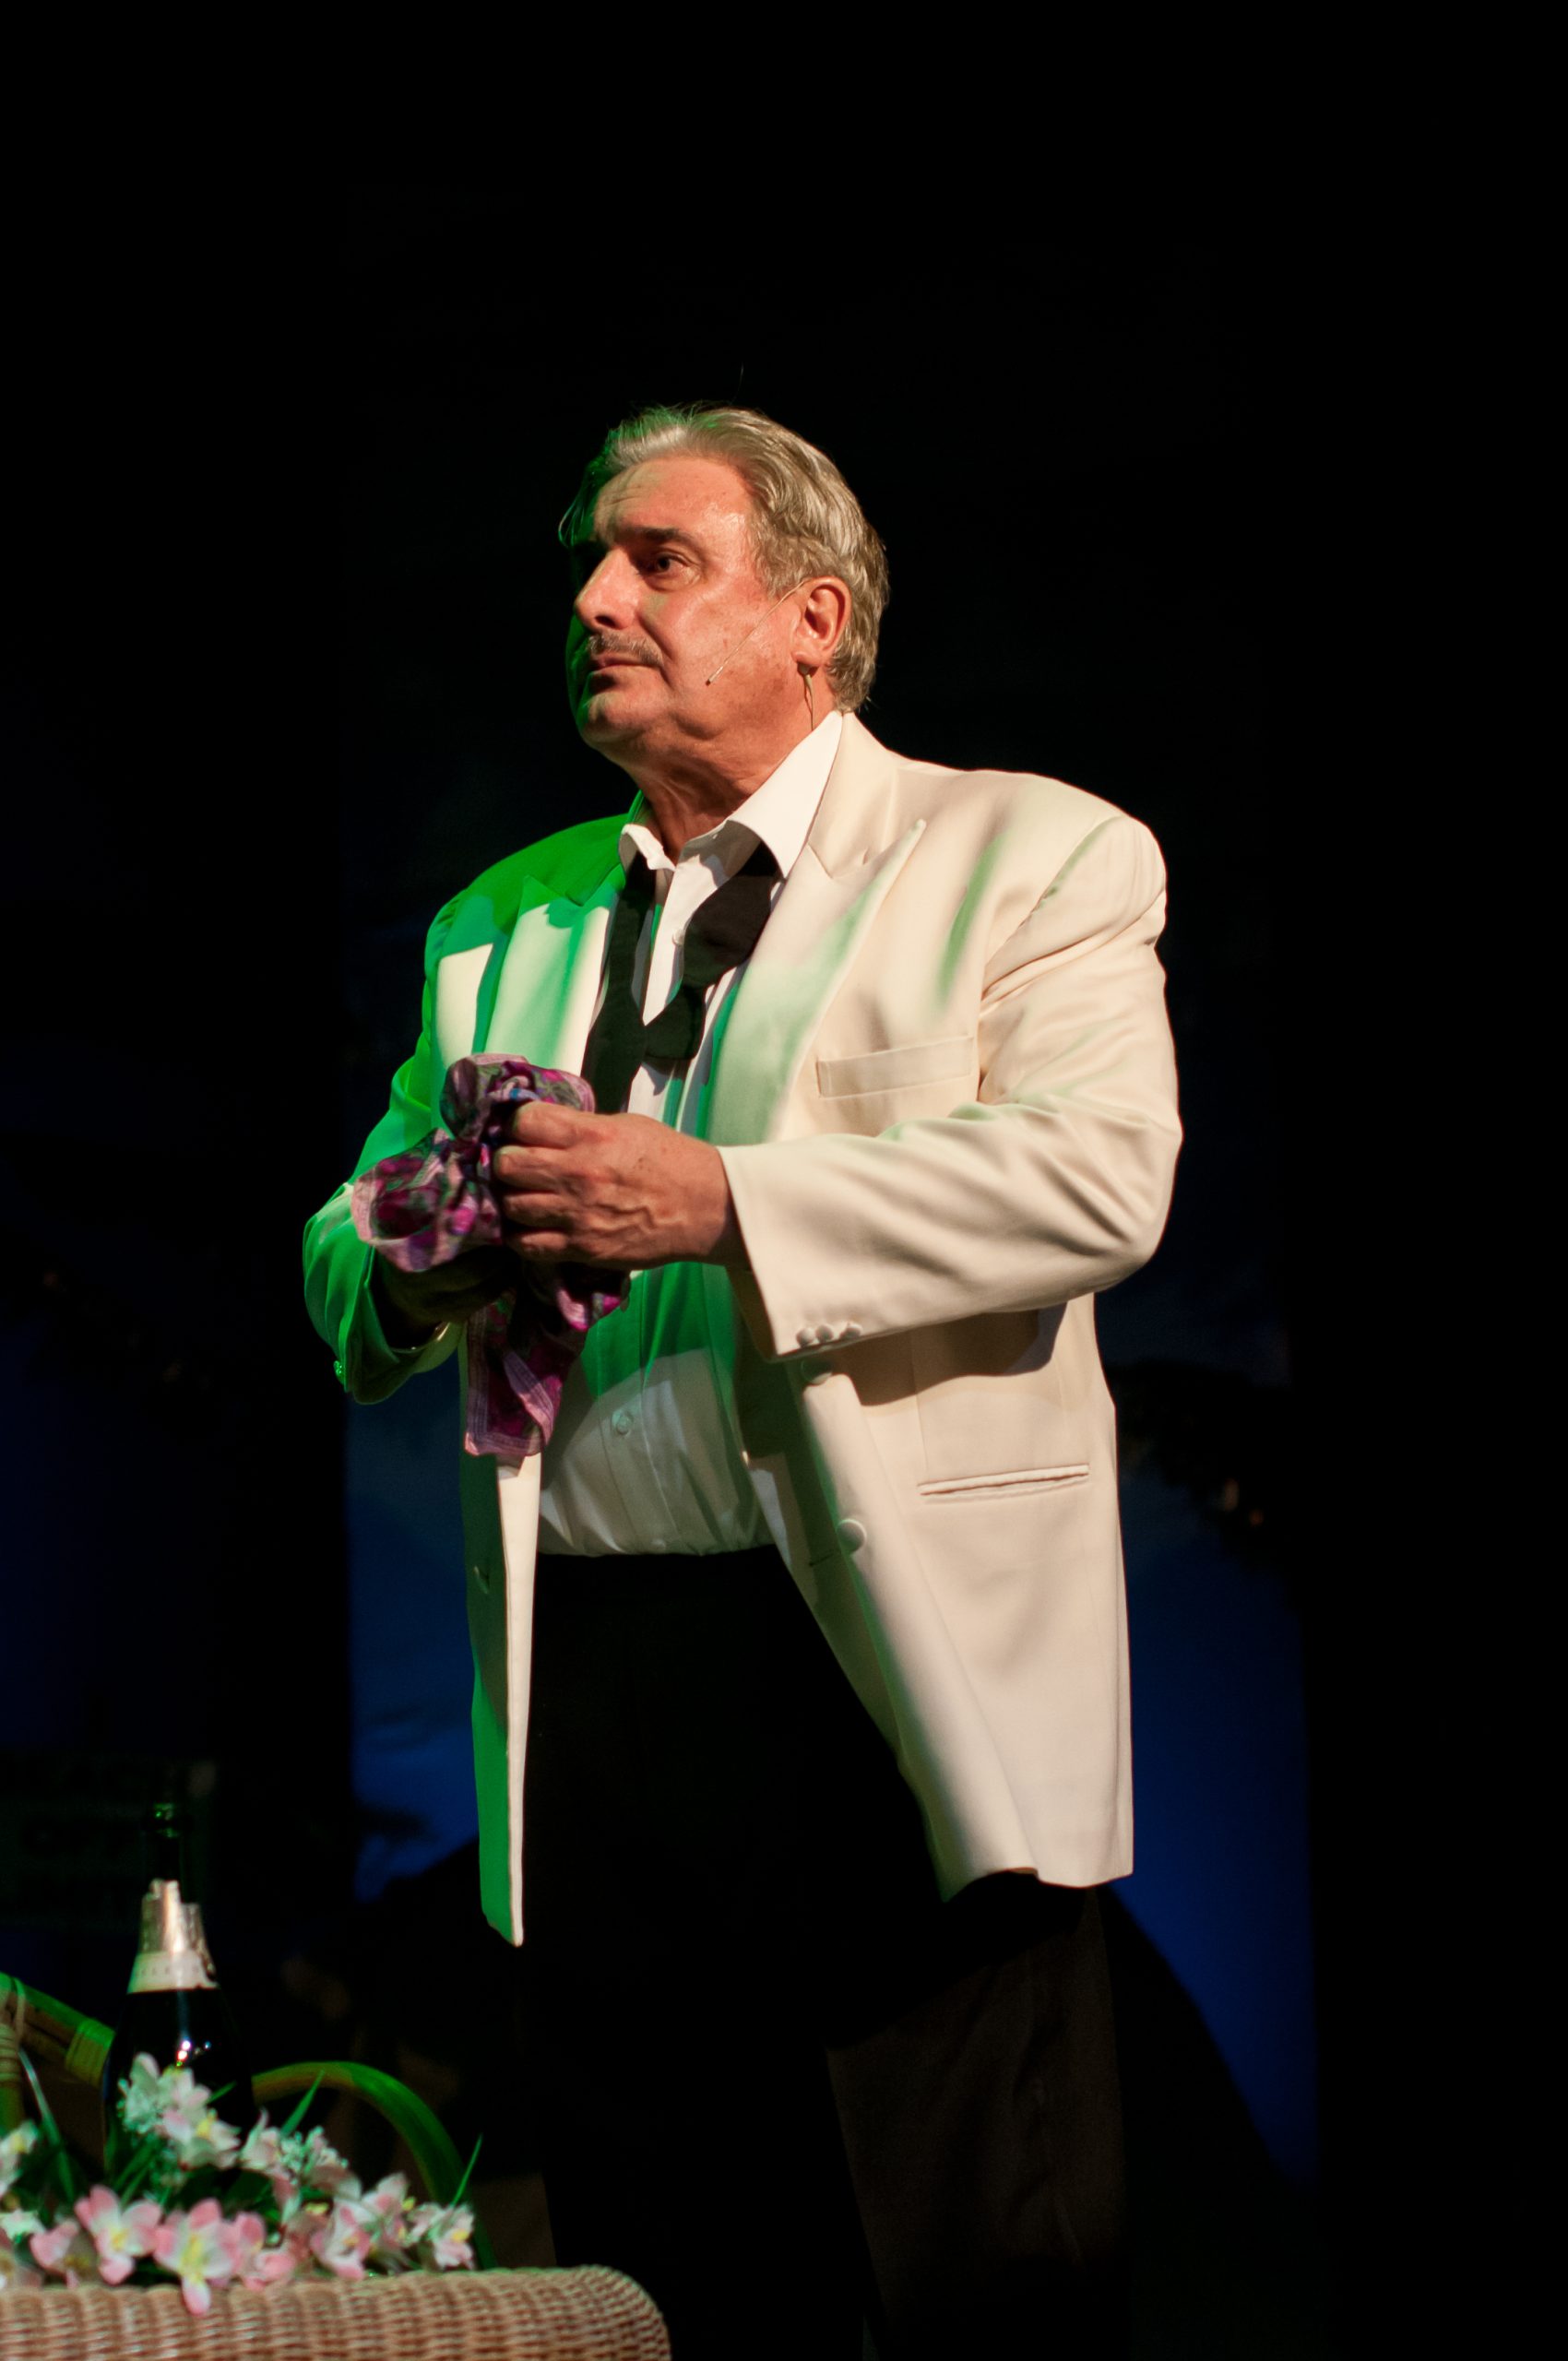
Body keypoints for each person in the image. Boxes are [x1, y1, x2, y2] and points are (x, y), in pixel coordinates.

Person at [305, 405, 1182, 2358]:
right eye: (587, 569)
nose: (595, 603)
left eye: (658, 560)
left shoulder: (1023, 851)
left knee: (965, 2277)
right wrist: (430, 1247)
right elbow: (337, 1257)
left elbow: (1099, 1176)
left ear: (814, 615)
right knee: (667, 2285)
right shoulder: (500, 920)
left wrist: (721, 1200)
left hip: (879, 1662)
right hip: (596, 1679)